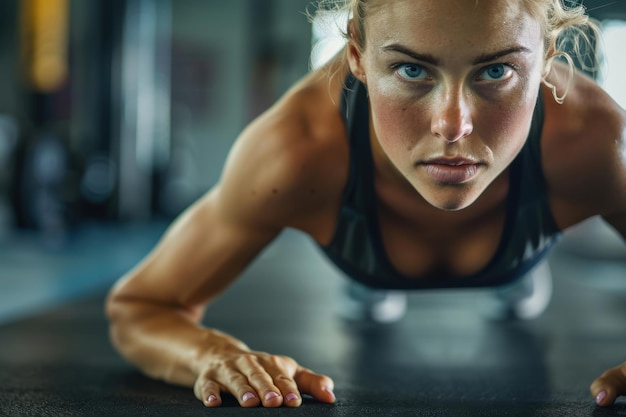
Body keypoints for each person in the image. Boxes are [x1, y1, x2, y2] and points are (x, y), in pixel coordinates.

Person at [105, 0, 626, 409]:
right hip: (367, 249)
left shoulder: (594, 142)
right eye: (411, 70)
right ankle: (372, 281)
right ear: (356, 55)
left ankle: (515, 270)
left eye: (495, 72)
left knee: (516, 282)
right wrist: (211, 355)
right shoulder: (295, 151)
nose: (452, 125)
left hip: (516, 241)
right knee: (371, 285)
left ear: (549, 59)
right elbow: (140, 307)